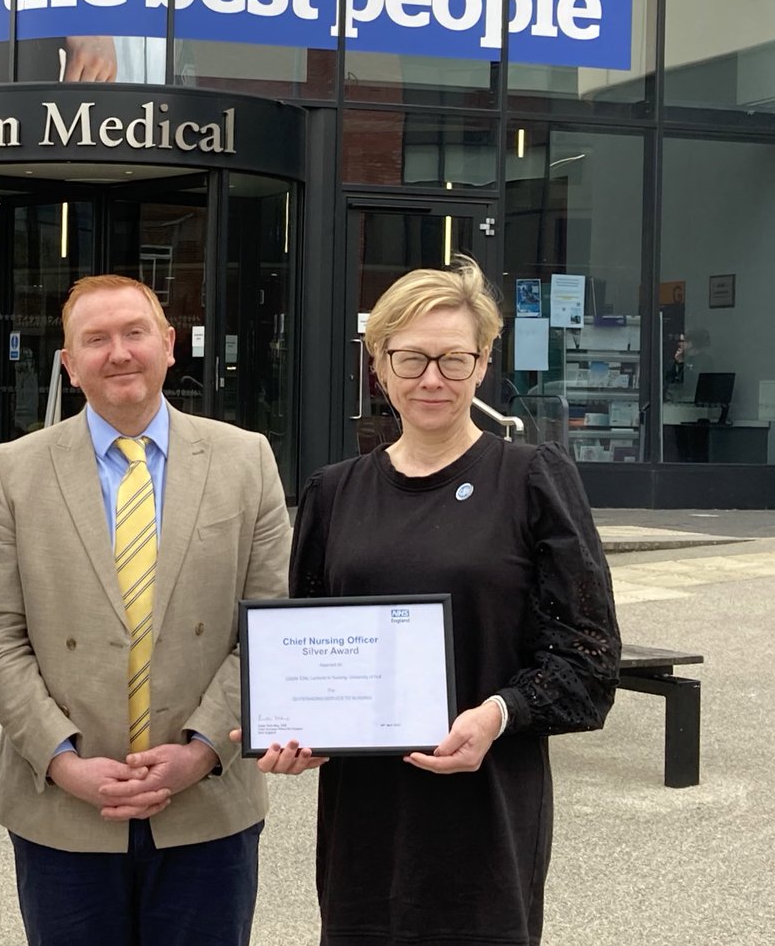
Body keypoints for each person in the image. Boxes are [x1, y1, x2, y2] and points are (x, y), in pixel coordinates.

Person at [247, 257, 620, 946]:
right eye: (411, 358)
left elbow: (589, 662)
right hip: (365, 824)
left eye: (454, 359)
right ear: (379, 365)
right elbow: (303, 649)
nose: (431, 379)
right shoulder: (334, 493)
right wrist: (292, 730)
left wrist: (500, 714)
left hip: (487, 815)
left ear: (483, 365)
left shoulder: (532, 479)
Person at [0, 274, 291, 946]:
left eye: (135, 332)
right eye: (96, 339)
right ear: (69, 363)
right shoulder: (16, 470)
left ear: (170, 345)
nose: (119, 353)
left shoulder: (245, 460)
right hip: (64, 809)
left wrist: (202, 749)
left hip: (207, 805)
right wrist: (61, 760)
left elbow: (270, 622)